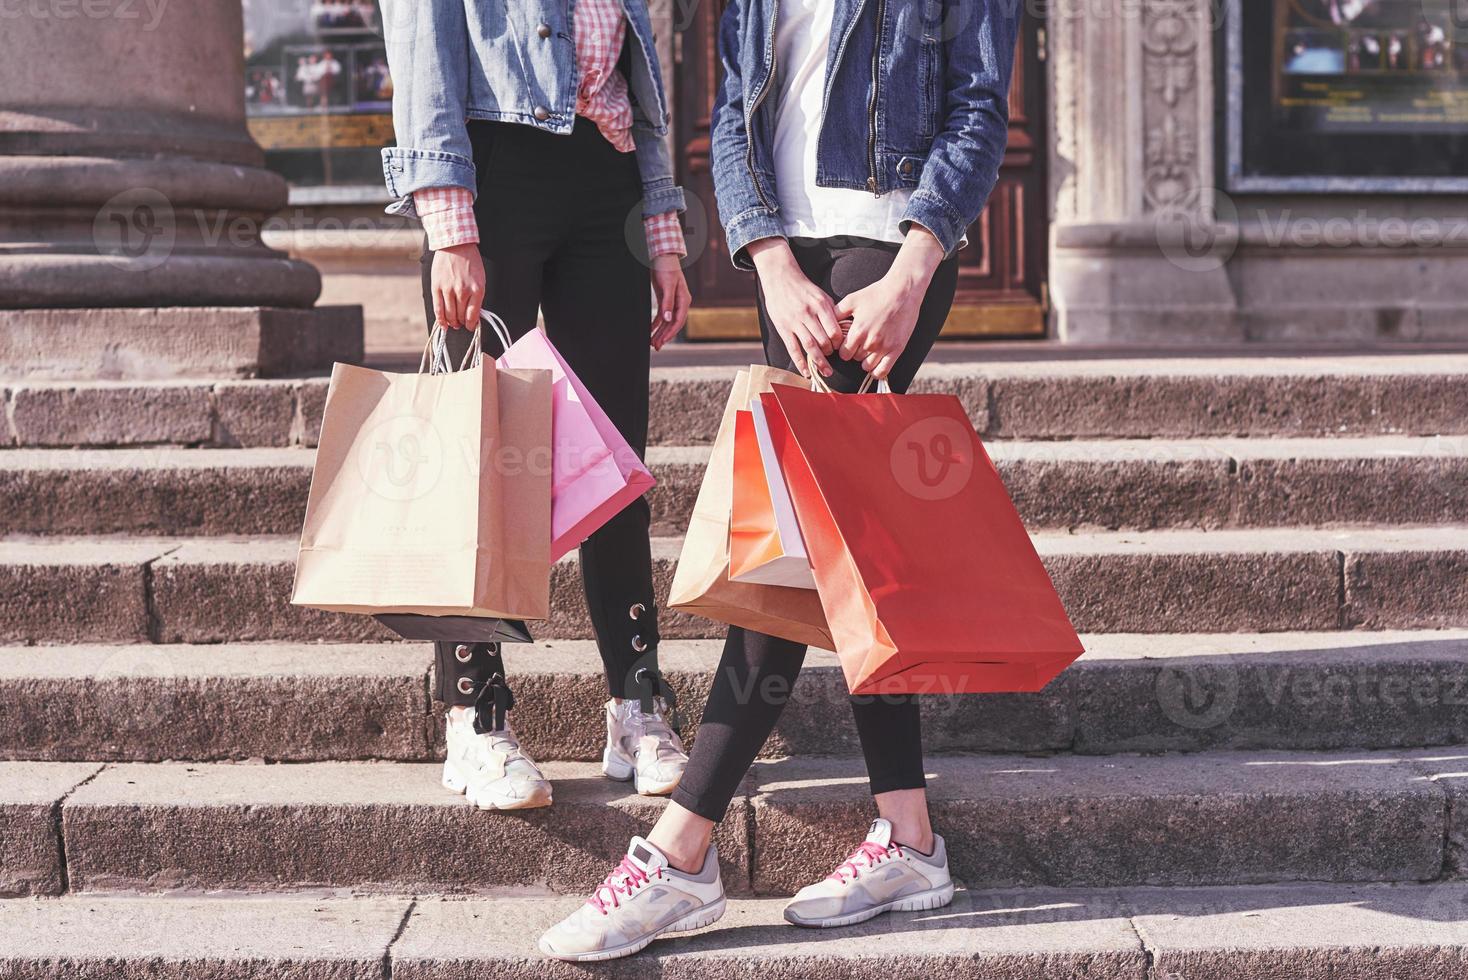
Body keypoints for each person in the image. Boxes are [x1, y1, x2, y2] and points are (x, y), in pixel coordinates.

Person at [539, 0, 1018, 961]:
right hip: (789, 263)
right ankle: (911, 838)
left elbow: (977, 108)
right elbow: (733, 114)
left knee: (787, 547)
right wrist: (765, 259)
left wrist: (914, 270)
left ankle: (682, 850)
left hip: (881, 254)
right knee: (841, 546)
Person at [381, 0, 694, 812]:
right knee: (478, 455)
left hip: (608, 178)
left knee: (616, 457)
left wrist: (659, 230)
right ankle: (474, 714)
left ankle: (637, 701)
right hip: (495, 169)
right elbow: (423, 49)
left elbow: (640, 74)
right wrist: (449, 225)